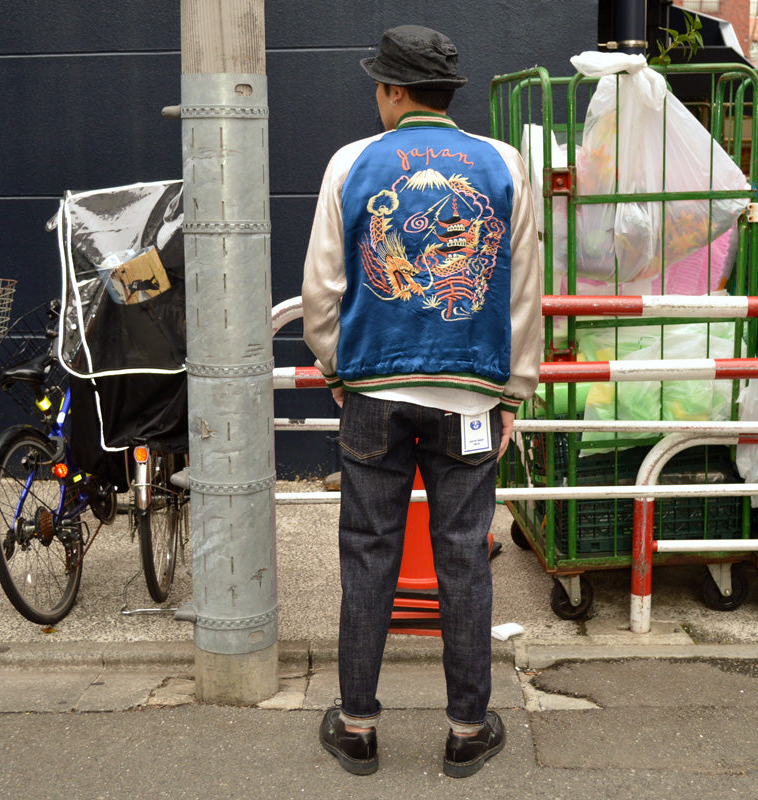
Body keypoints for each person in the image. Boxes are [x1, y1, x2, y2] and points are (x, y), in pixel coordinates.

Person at [301, 24, 541, 778]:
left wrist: (338, 372)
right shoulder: (503, 164)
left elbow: (322, 291)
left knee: (367, 555)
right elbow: (524, 292)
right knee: (465, 558)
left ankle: (358, 726)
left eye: (379, 85)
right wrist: (514, 394)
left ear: (395, 92)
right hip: (469, 394)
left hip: (373, 391)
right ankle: (468, 729)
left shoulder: (353, 163)